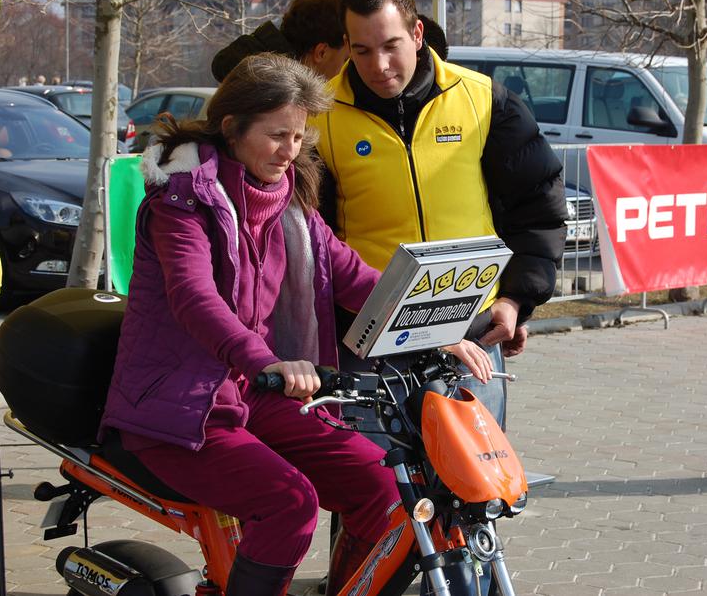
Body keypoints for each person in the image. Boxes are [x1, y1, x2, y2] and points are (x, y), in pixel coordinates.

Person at [99, 53, 492, 596]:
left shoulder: (288, 200)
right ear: (233, 127)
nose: (290, 151)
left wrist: (441, 327)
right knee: (290, 502)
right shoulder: (181, 202)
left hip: (250, 393)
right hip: (183, 406)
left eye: (299, 137)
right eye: (277, 135)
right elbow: (194, 297)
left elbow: (353, 277)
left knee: (378, 485)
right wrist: (267, 359)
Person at [316, 0, 567, 429]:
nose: (379, 65)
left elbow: (538, 208)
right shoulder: (320, 116)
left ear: (417, 34)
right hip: (371, 341)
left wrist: (514, 300)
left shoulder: (485, 101)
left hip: (472, 331)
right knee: (378, 496)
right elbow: (310, 239)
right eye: (362, 50)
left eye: (391, 45)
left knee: (478, 493)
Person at [211, 0, 348, 82]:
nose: (348, 69)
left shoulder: (260, 79)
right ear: (321, 52)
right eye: (345, 59)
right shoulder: (281, 96)